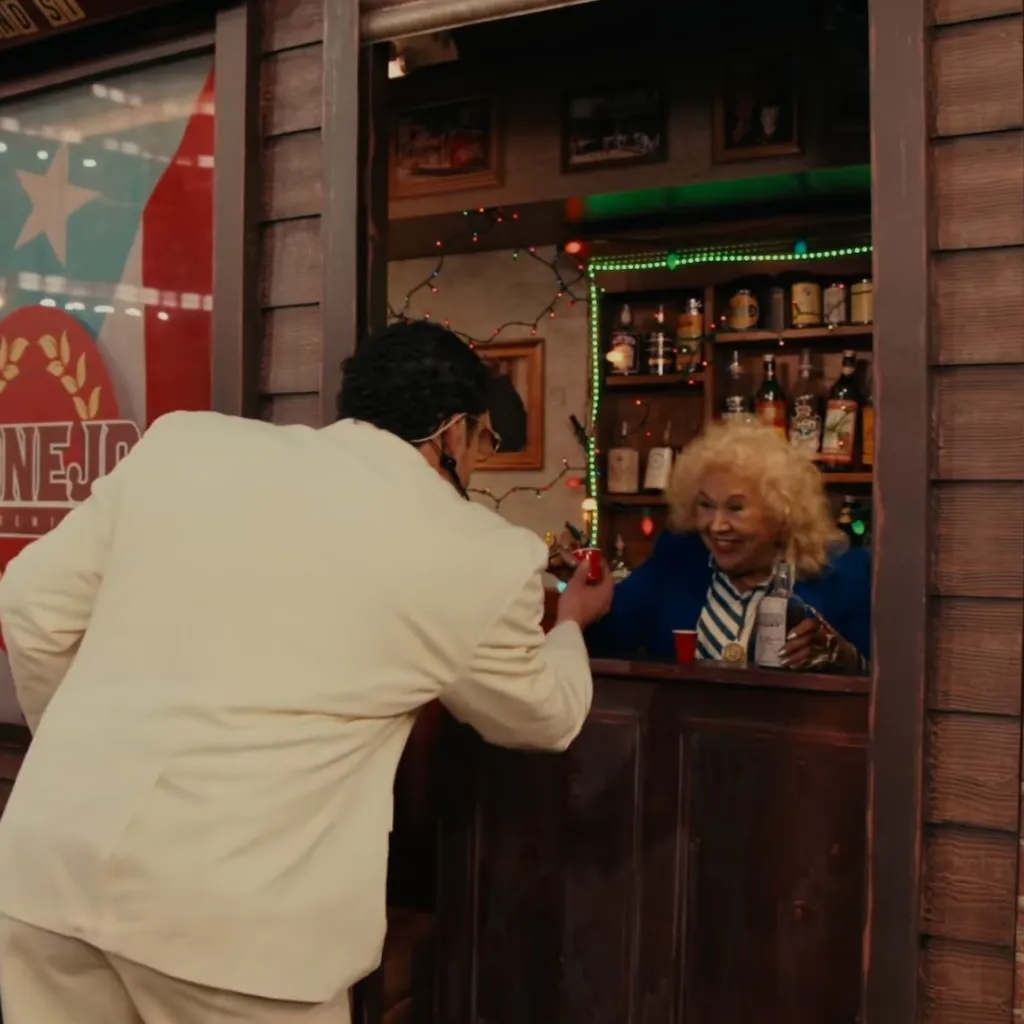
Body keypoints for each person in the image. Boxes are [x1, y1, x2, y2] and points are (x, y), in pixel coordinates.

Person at [0, 319, 613, 1024]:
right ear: (451, 431)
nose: (476, 461)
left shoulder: (187, 444)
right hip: (239, 932)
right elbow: (543, 715)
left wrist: (79, 758)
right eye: (481, 442)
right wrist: (570, 624)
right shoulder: (480, 552)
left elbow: (30, 603)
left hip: (48, 872)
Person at [562, 420, 870, 672]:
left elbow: (884, 684)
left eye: (735, 508)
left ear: (782, 513)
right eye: (706, 505)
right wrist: (585, 601)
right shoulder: (678, 557)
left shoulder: (845, 573)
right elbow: (606, 646)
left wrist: (845, 658)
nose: (716, 525)